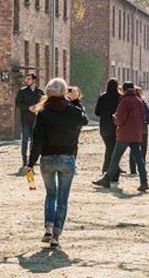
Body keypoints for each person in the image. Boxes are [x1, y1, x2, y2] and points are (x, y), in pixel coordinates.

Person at [24, 78, 88, 249]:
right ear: (64, 92)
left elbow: (36, 141)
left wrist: (30, 163)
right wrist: (75, 101)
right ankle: (56, 235)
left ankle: (48, 228)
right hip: (67, 158)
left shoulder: (43, 113)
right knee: (63, 198)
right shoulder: (73, 111)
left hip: (47, 159)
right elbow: (85, 120)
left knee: (51, 194)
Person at [93, 81, 149, 192]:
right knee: (139, 159)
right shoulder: (139, 101)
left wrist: (115, 119)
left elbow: (119, 118)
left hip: (124, 134)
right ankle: (144, 181)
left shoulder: (124, 101)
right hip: (136, 134)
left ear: (123, 89)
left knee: (115, 158)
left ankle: (107, 179)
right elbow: (144, 117)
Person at [95, 78, 122, 180]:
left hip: (105, 127)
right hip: (117, 127)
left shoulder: (103, 97)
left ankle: (108, 171)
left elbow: (97, 112)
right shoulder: (119, 97)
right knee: (113, 150)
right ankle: (113, 172)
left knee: (109, 149)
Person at [15, 73, 43, 171]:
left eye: (28, 79)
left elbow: (43, 103)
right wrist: (28, 107)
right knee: (25, 140)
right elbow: (17, 103)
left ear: (34, 80)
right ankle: (24, 160)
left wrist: (37, 108)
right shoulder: (22, 91)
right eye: (26, 79)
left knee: (34, 141)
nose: (26, 81)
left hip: (36, 119)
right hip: (25, 119)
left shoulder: (40, 92)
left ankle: (33, 160)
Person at [129, 86, 149, 175]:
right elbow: (148, 115)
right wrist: (146, 123)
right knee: (143, 149)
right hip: (143, 129)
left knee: (133, 149)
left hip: (133, 129)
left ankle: (133, 169)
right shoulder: (143, 103)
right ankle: (142, 167)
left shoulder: (130, 103)